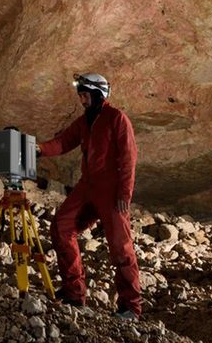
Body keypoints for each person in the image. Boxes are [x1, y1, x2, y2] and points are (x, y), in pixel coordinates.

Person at [37, 72, 141, 320]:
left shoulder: (117, 118)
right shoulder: (84, 122)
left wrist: (124, 193)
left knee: (120, 247)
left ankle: (131, 308)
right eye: (81, 96)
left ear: (98, 95)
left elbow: (128, 158)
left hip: (111, 189)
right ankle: (74, 293)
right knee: (62, 226)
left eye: (85, 95)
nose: (82, 100)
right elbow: (62, 143)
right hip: (88, 186)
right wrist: (37, 149)